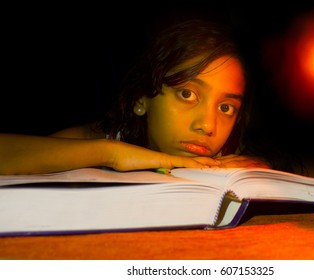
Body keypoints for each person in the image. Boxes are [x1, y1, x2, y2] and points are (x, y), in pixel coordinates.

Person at [0, 17, 270, 175]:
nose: (207, 126)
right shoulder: (101, 139)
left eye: (225, 108)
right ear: (141, 99)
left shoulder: (231, 165)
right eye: (187, 94)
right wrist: (112, 154)